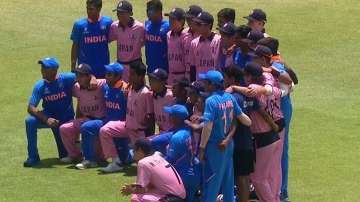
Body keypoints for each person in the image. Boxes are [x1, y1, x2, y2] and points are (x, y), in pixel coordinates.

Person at [198, 70, 252, 202]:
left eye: (205, 82)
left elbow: (208, 126)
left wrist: (202, 148)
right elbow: (246, 120)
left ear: (211, 85)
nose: (203, 84)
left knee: (212, 183)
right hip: (228, 146)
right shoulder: (230, 98)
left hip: (215, 147)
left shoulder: (211, 101)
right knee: (228, 182)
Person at [73, 62, 128, 173]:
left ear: (118, 76)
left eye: (109, 74)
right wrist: (92, 77)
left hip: (122, 125)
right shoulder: (105, 86)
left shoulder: (125, 91)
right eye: (106, 73)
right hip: (106, 122)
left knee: (127, 158)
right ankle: (89, 160)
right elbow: (92, 79)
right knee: (86, 127)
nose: (106, 76)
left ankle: (116, 162)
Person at [24, 57, 75, 167]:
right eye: (42, 67)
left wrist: (94, 78)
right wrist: (46, 119)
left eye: (45, 67)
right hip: (49, 118)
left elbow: (86, 75)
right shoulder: (40, 86)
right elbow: (31, 107)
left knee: (65, 156)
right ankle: (33, 157)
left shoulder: (68, 78)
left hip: (66, 120)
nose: (42, 70)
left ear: (54, 70)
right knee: (30, 121)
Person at [59, 64, 106, 169]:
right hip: (86, 118)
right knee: (64, 128)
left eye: (81, 75)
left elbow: (118, 82)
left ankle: (90, 160)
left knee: (99, 155)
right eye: (77, 75)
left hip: (101, 120)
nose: (78, 78)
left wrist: (94, 78)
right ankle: (75, 155)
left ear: (88, 76)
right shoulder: (76, 87)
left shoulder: (100, 84)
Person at [223, 66, 257, 202]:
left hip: (238, 142)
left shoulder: (233, 97)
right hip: (248, 140)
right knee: (245, 177)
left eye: (225, 77)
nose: (224, 80)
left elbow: (232, 121)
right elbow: (256, 108)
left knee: (240, 177)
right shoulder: (247, 94)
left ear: (231, 78)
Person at [121, 139, 186, 202]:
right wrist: (135, 185)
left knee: (136, 197)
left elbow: (140, 190)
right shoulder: (157, 157)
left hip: (172, 198)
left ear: (140, 150)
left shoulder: (143, 162)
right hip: (180, 196)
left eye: (134, 150)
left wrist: (130, 190)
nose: (133, 152)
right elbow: (149, 185)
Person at [164, 105, 201, 202]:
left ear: (176, 118)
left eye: (171, 115)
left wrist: (158, 160)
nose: (169, 116)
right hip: (195, 172)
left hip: (183, 176)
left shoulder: (177, 137)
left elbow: (169, 161)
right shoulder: (188, 131)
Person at [70, 0, 112, 78]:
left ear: (99, 9)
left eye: (91, 9)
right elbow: (75, 46)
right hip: (84, 71)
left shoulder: (108, 23)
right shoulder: (79, 25)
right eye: (87, 8)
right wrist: (73, 67)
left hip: (103, 70)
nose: (88, 11)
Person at [109, 0, 145, 82]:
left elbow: (143, 42)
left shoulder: (140, 27)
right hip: (120, 66)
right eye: (118, 13)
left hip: (135, 66)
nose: (119, 15)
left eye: (122, 13)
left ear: (130, 13)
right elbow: (108, 39)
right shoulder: (114, 26)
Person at [189, 11, 222, 81]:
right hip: (199, 83)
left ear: (209, 25)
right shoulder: (194, 43)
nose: (196, 26)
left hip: (214, 84)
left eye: (199, 24)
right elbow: (192, 67)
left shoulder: (219, 41)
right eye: (196, 23)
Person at [144, 0, 170, 73]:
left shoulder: (167, 26)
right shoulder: (147, 24)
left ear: (159, 12)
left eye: (151, 11)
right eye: (147, 10)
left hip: (164, 69)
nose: (148, 13)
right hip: (150, 67)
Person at [165, 8, 187, 85]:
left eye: (173, 19)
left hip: (182, 76)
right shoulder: (168, 35)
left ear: (181, 21)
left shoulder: (186, 36)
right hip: (171, 75)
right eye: (170, 19)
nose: (170, 21)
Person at [183, 5, 202, 80]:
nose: (187, 20)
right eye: (187, 18)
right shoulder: (184, 33)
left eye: (190, 18)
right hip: (186, 74)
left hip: (199, 74)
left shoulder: (203, 35)